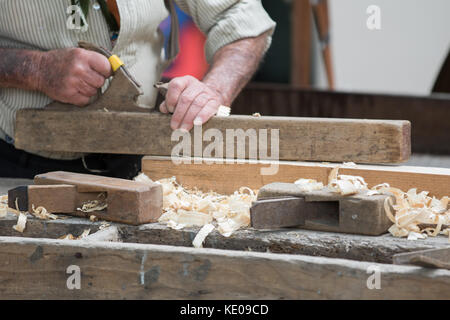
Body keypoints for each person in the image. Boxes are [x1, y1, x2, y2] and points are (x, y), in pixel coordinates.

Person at [0, 0, 276, 179]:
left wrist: (214, 90)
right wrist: (33, 69)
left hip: (140, 161)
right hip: (16, 162)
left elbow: (241, 17)